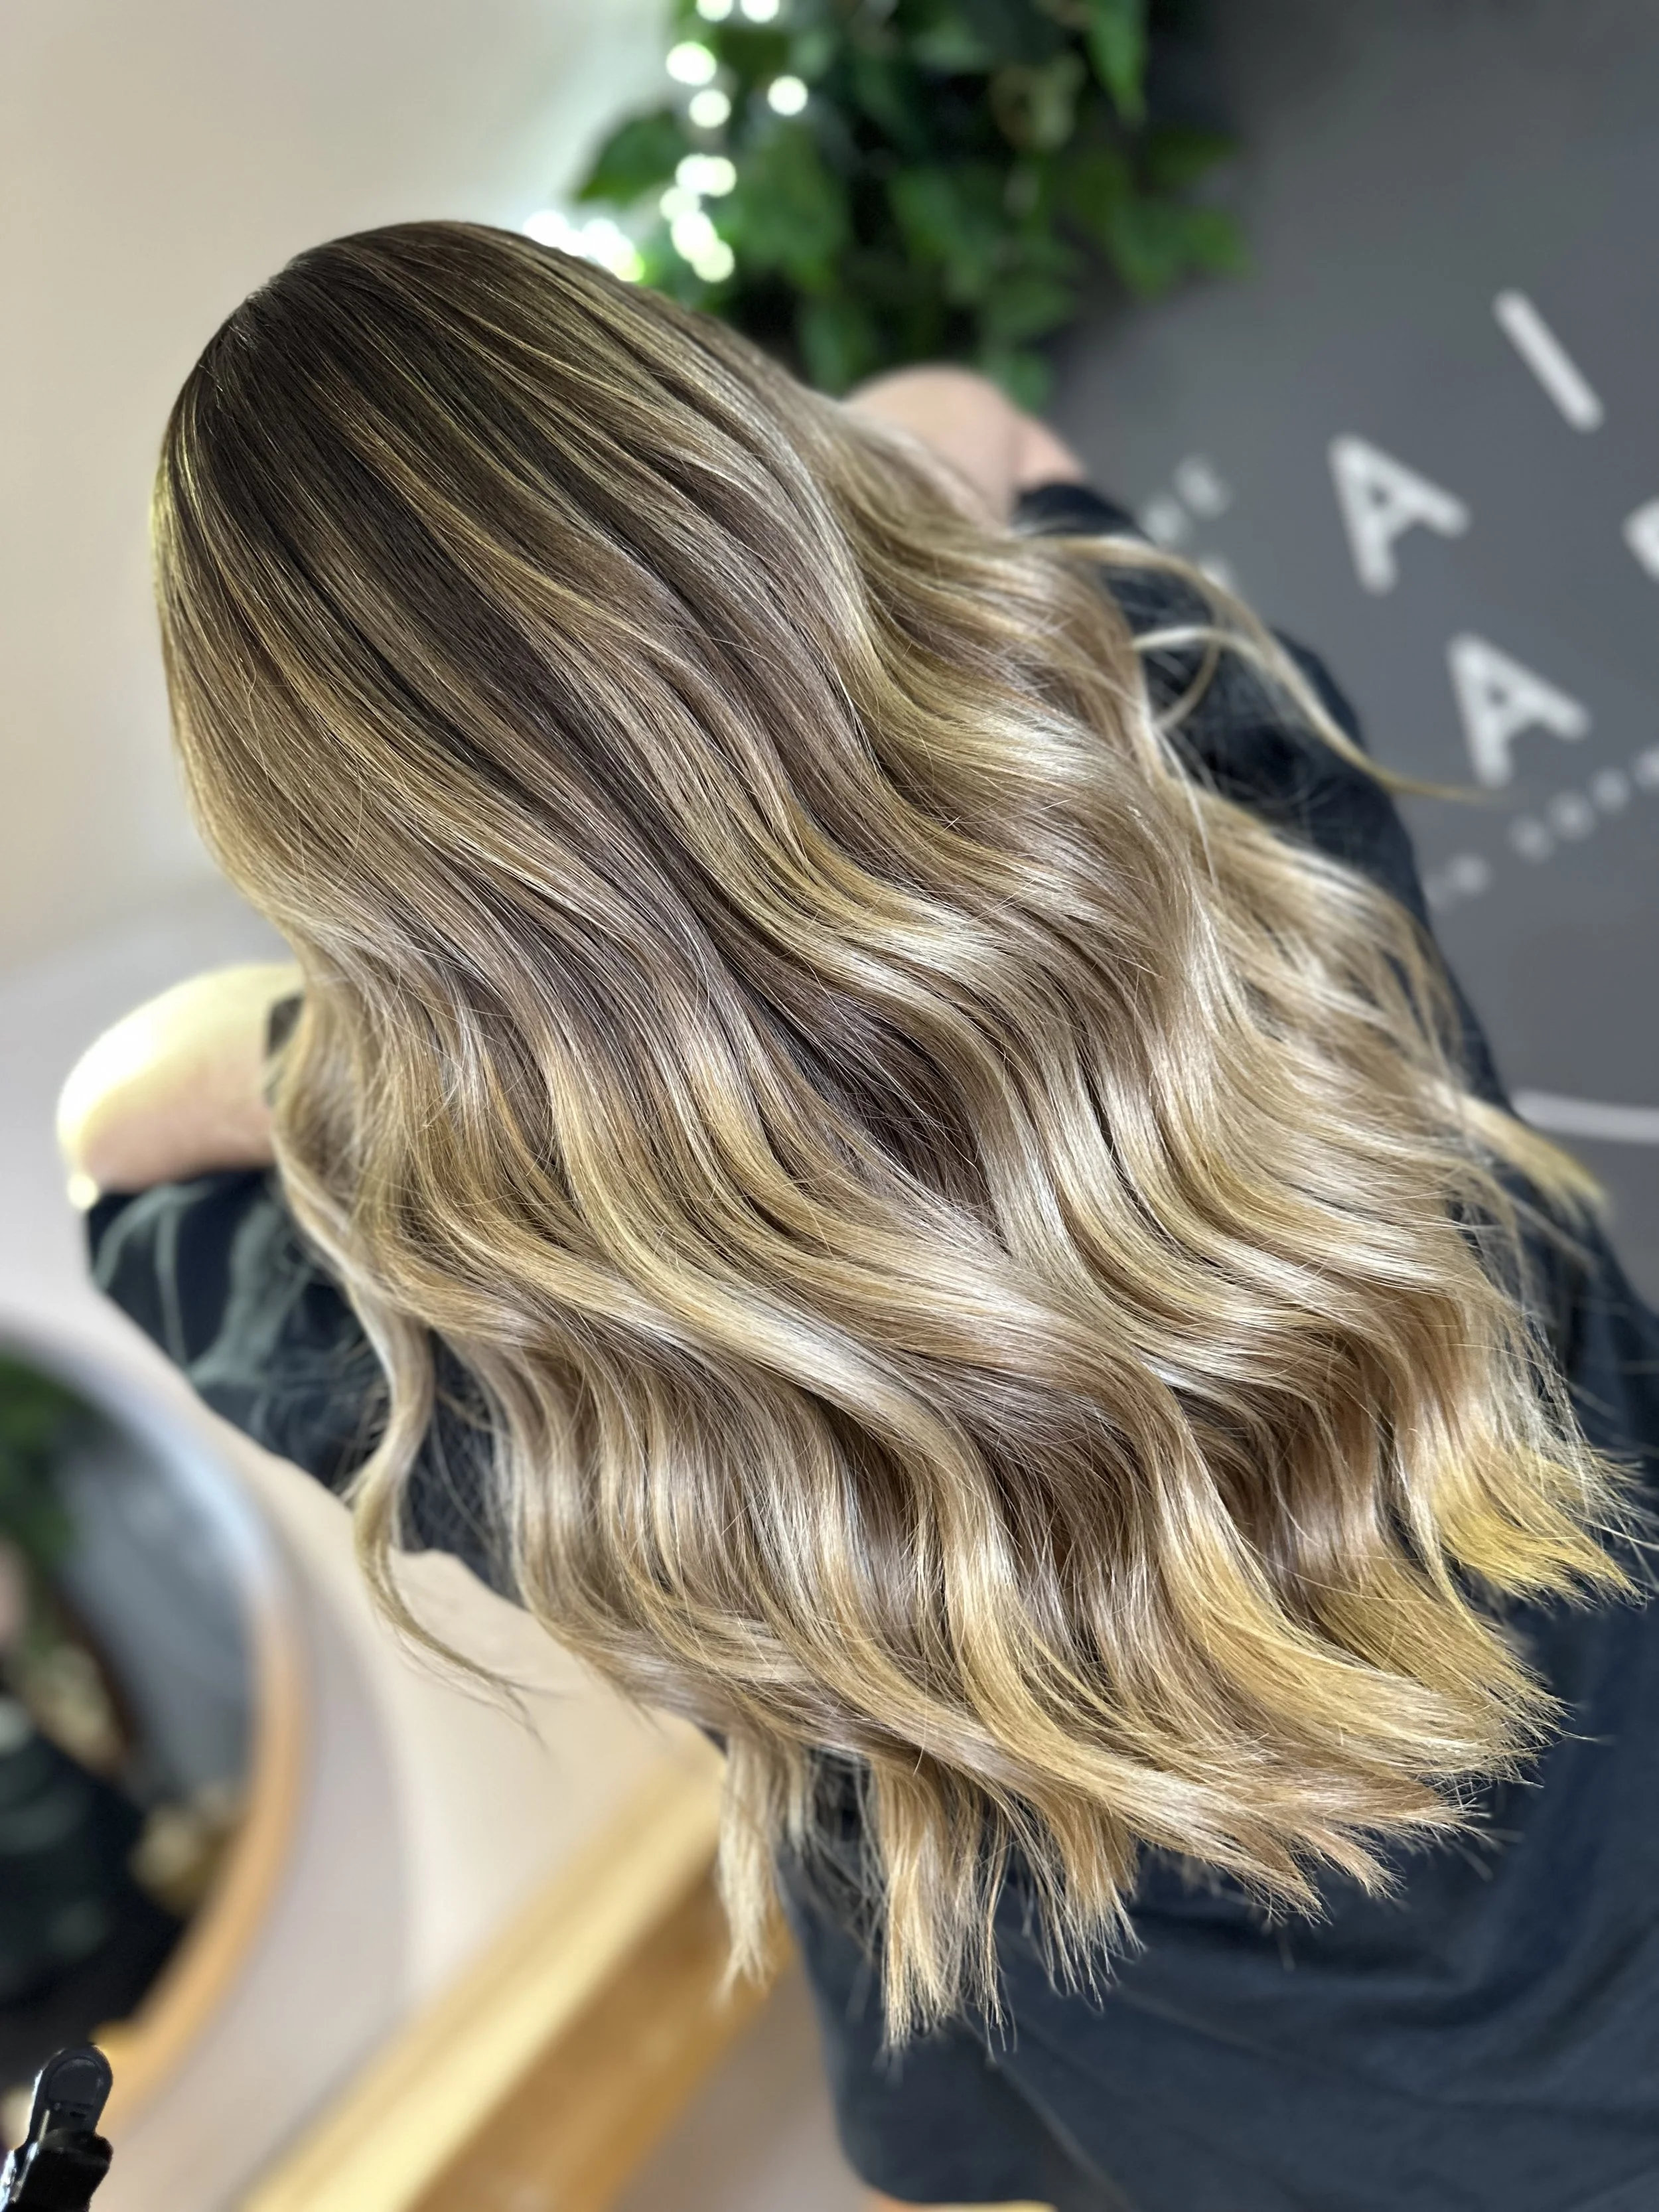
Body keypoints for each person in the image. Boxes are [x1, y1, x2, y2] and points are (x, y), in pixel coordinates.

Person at [56, 222, 1659, 2212]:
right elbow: (959, 425)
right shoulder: (1195, 774)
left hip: (1312, 2156)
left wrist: (429, 1046)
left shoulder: (496, 1361)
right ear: (749, 486)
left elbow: (115, 1124)